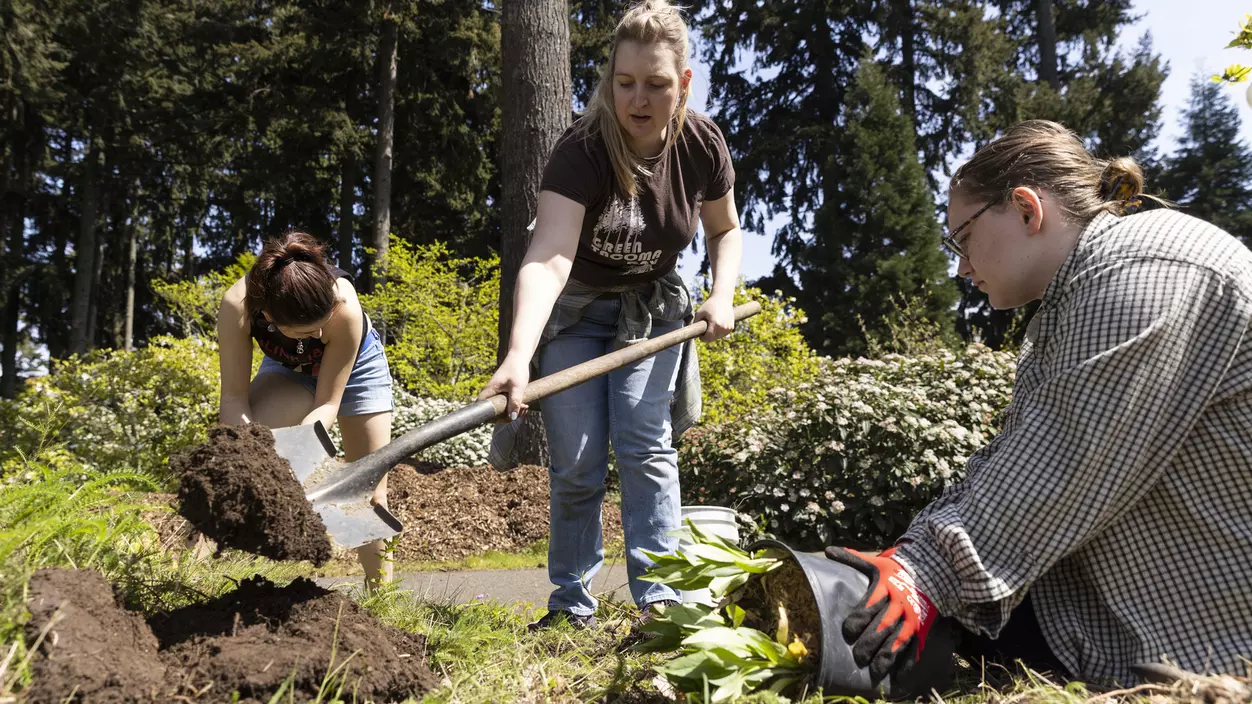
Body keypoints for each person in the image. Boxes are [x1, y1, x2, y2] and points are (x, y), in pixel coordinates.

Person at [824, 119, 1252, 687]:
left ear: (1027, 209)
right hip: (1137, 608)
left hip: (1208, 643)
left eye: (963, 238)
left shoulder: (1147, 269)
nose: (960, 266)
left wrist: (921, 571)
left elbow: (1063, 460)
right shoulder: (1082, 292)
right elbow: (1023, 457)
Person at [478, 0, 743, 630]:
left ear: (682, 84)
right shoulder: (582, 150)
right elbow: (548, 257)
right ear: (609, 82)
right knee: (577, 461)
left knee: (645, 445)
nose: (638, 99)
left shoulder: (701, 144)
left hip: (652, 313)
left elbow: (725, 231)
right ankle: (571, 606)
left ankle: (659, 600)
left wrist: (722, 293)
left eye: (655, 84)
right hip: (577, 316)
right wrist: (517, 357)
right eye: (625, 83)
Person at [217, 231, 395, 587]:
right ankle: (193, 572)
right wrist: (252, 460)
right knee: (240, 454)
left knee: (367, 488)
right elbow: (234, 400)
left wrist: (306, 451)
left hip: (357, 369)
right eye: (304, 332)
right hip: (286, 370)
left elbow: (327, 403)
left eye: (319, 328)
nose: (316, 337)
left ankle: (382, 599)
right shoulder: (237, 306)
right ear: (267, 315)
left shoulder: (343, 307)